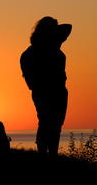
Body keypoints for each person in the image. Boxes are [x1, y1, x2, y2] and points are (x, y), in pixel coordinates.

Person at [20, 16, 72, 157]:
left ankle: (49, 153)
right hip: (46, 90)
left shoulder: (51, 45)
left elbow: (68, 27)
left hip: (56, 90)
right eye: (52, 27)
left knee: (54, 122)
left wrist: (52, 31)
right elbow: (30, 81)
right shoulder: (39, 50)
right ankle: (44, 153)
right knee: (47, 121)